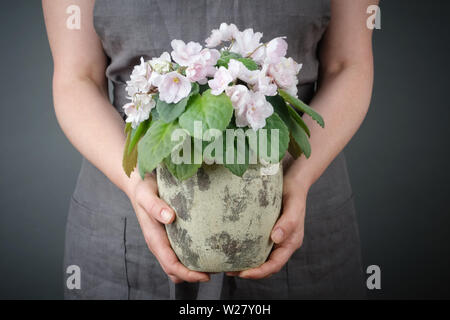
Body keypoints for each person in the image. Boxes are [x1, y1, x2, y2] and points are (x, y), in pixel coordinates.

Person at [43, 0, 376, 299]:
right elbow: (77, 77)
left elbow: (348, 65)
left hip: (293, 203)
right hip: (128, 216)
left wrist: (298, 180)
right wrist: (136, 186)